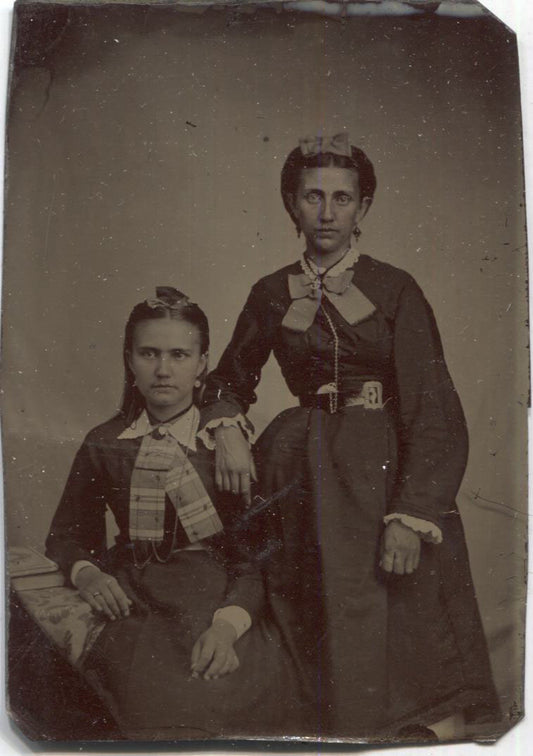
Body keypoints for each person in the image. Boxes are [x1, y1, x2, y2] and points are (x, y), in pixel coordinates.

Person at [199, 133, 501, 742]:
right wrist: (228, 427)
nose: (328, 212)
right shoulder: (269, 292)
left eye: (343, 197)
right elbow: (229, 379)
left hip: (382, 471)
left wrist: (411, 513)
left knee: (404, 623)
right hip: (303, 471)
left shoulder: (396, 289)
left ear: (363, 208)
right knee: (317, 622)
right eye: (314, 196)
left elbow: (433, 407)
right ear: (292, 204)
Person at [45, 287, 297, 740]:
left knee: (234, 696)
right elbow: (66, 536)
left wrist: (226, 628)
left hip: (222, 595)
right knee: (145, 706)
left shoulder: (226, 447)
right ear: (130, 360)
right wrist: (87, 575)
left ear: (203, 364)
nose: (163, 370)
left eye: (180, 355)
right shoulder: (105, 442)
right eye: (149, 353)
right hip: (139, 594)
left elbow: (257, 558)